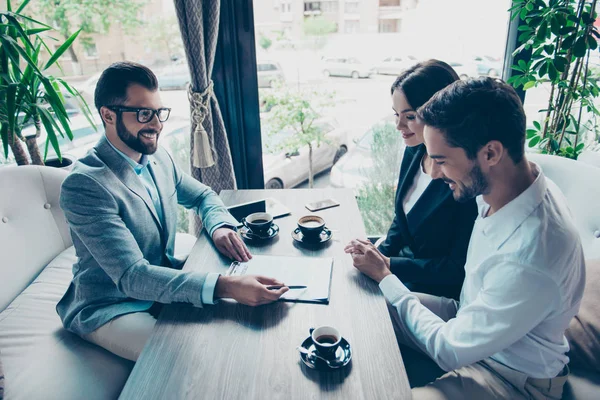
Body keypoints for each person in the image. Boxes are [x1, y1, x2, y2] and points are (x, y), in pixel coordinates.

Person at [349, 77, 585, 399]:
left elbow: (448, 348)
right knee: (364, 302)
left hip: (511, 376)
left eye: (441, 160)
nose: (433, 173)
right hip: (466, 317)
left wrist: (388, 275)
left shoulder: (532, 255)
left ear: (490, 153)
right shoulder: (506, 184)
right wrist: (383, 280)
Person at [56, 62, 289, 361]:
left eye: (158, 112)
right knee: (189, 356)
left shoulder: (158, 158)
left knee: (243, 326)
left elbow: (204, 195)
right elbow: (132, 277)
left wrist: (219, 227)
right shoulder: (85, 185)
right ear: (108, 115)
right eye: (144, 114)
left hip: (161, 280)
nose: (156, 124)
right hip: (111, 305)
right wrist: (226, 286)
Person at [345, 60, 477, 299]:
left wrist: (388, 264)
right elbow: (402, 218)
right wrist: (376, 254)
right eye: (396, 115)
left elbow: (456, 269)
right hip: (402, 270)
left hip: (434, 289)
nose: (398, 125)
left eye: (410, 116)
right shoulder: (415, 149)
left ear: (440, 111)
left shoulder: (463, 177)